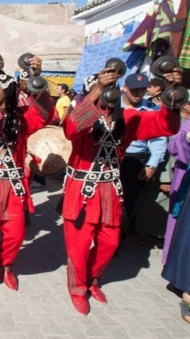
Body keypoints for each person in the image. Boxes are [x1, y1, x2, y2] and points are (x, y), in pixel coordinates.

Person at [61, 66, 182, 315]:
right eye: (104, 90)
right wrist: (96, 91)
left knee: (110, 242)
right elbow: (71, 129)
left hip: (110, 191)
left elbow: (166, 126)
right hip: (83, 190)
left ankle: (93, 279)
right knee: (79, 245)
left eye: (111, 89)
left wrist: (171, 94)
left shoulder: (128, 119)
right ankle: (77, 287)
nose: (109, 95)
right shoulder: (86, 116)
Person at [0, 54, 53, 298]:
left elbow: (46, 114)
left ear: (7, 90)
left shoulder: (23, 118)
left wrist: (37, 78)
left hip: (14, 186)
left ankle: (6, 267)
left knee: (15, 234)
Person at [119, 74, 167, 246]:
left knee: (129, 199)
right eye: (134, 89)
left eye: (142, 89)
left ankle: (119, 237)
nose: (138, 93)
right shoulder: (112, 104)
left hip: (135, 160)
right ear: (124, 88)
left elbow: (158, 139)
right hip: (110, 158)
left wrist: (151, 165)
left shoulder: (152, 110)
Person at [162, 101, 190, 264]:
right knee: (179, 221)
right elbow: (173, 149)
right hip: (184, 176)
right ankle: (173, 264)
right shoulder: (185, 126)